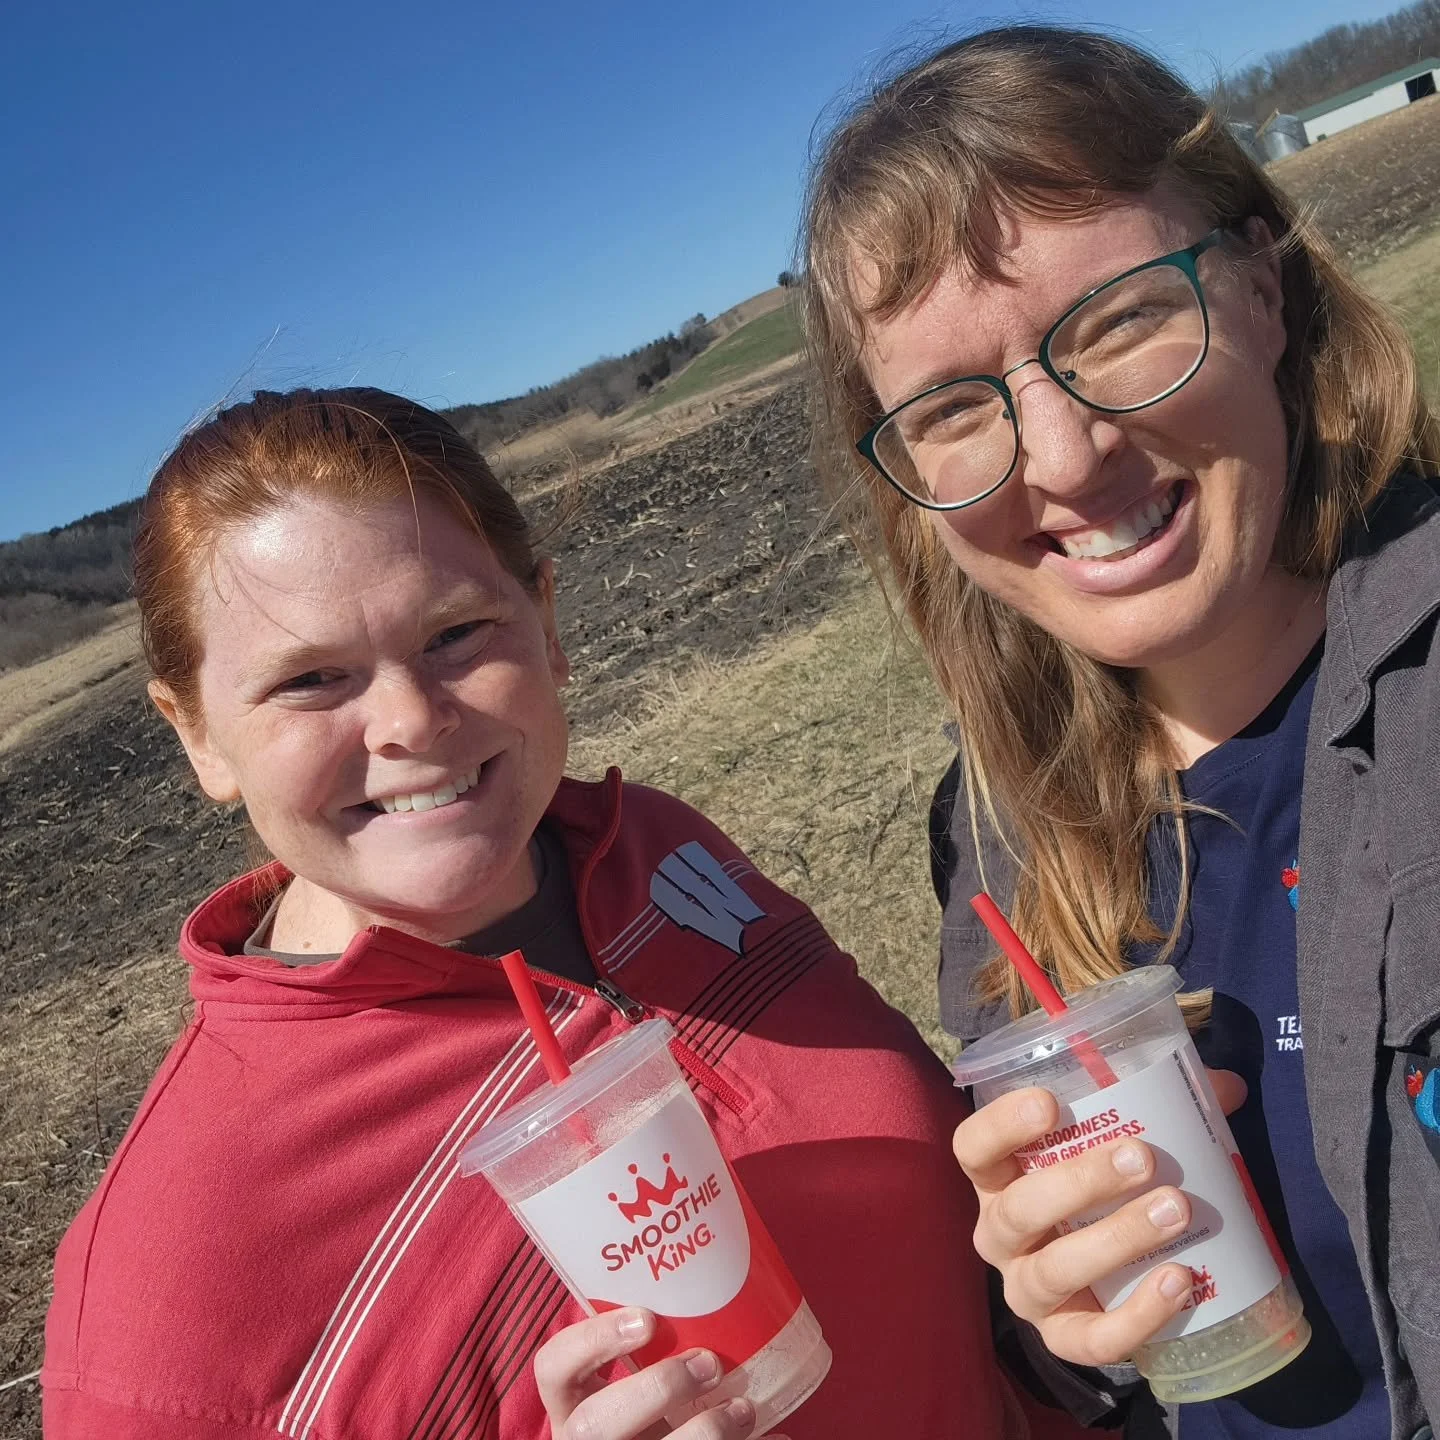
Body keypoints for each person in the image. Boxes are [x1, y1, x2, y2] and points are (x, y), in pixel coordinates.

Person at [40, 387, 1083, 1440]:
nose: (409, 721)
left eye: (455, 634)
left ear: (544, 623)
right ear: (200, 738)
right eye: (313, 680)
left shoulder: (658, 849)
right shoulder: (165, 1280)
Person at [801, 25, 1440, 1440]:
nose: (1068, 456)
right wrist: (1067, 1324)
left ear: (1263, 289)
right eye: (957, 408)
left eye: (1118, 322)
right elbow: (1102, 1367)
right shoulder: (994, 831)